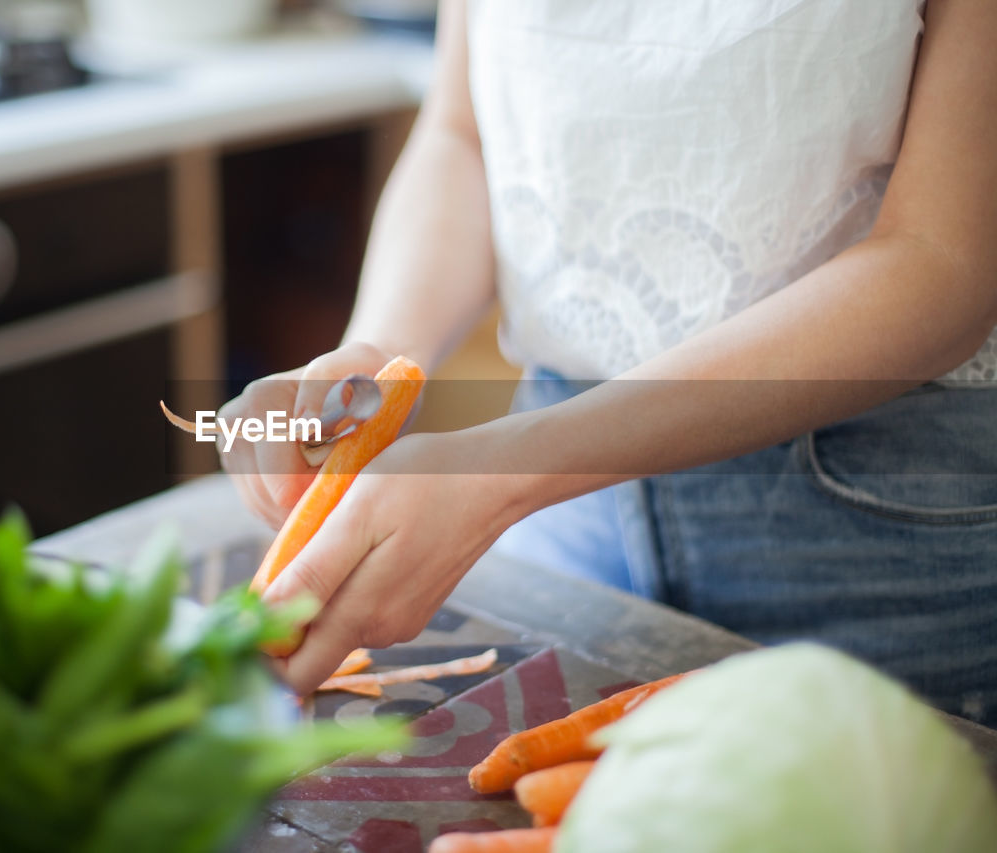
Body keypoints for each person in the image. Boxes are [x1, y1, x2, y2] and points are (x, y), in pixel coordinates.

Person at [219, 0, 997, 726]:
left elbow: (945, 263)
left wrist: (499, 474)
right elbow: (464, 132)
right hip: (558, 514)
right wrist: (376, 358)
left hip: (880, 530)